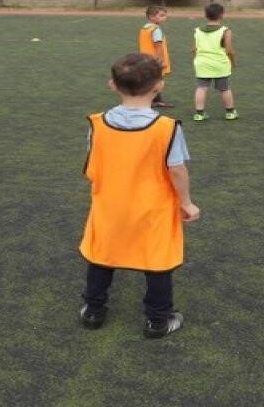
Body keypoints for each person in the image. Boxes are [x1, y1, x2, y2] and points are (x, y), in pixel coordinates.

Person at [78, 53, 199, 339]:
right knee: (158, 261)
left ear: (112, 84)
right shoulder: (166, 128)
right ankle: (157, 320)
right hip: (152, 209)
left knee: (101, 255)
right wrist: (186, 203)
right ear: (158, 85)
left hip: (110, 205)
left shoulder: (98, 124)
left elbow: (92, 166)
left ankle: (93, 311)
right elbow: (177, 170)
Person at [192, 3, 238, 122]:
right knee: (225, 89)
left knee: (201, 88)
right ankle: (230, 112)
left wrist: (198, 59)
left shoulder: (197, 30)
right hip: (220, 64)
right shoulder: (226, 31)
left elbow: (194, 49)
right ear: (222, 15)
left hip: (202, 63)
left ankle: (199, 114)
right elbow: (229, 50)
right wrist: (233, 62)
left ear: (205, 16)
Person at [137, 5, 174, 108]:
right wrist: (160, 60)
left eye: (165, 15)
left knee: (152, 80)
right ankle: (149, 100)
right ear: (151, 16)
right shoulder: (156, 30)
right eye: (161, 15)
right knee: (158, 82)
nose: (164, 18)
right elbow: (158, 46)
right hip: (155, 61)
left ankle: (157, 100)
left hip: (145, 60)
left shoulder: (144, 29)